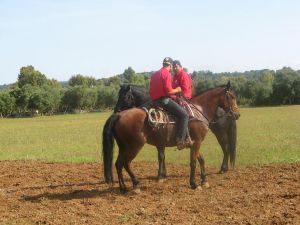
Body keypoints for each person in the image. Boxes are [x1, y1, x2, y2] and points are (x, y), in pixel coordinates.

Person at [149, 57, 193, 150]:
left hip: (154, 101)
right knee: (184, 115)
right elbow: (169, 91)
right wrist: (178, 89)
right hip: (164, 101)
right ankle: (180, 140)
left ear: (163, 64)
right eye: (173, 66)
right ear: (170, 65)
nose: (173, 69)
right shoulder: (167, 74)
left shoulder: (154, 74)